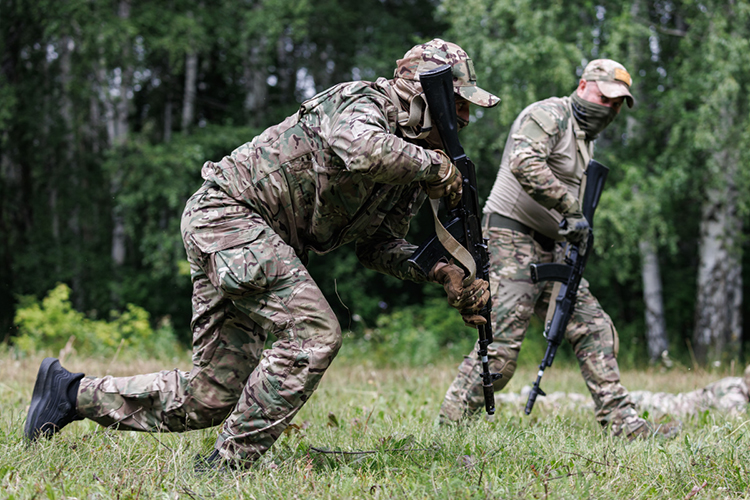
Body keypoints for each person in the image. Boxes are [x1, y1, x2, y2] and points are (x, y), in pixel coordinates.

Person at [24, 39, 499, 468]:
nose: (465, 119)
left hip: (256, 241)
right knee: (314, 333)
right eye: (457, 104)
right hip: (228, 216)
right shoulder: (361, 101)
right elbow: (361, 149)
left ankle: (67, 393)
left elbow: (378, 246)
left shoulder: (413, 168)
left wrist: (439, 270)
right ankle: (228, 466)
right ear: (424, 94)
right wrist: (438, 167)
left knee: (209, 396)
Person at [439, 59, 676, 440]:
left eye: (617, 104)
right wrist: (570, 209)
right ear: (583, 86)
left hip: (555, 251)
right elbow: (524, 162)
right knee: (499, 350)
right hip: (510, 239)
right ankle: (449, 428)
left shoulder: (586, 138)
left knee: (595, 328)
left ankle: (626, 426)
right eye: (605, 97)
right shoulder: (549, 113)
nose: (609, 108)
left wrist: (576, 233)